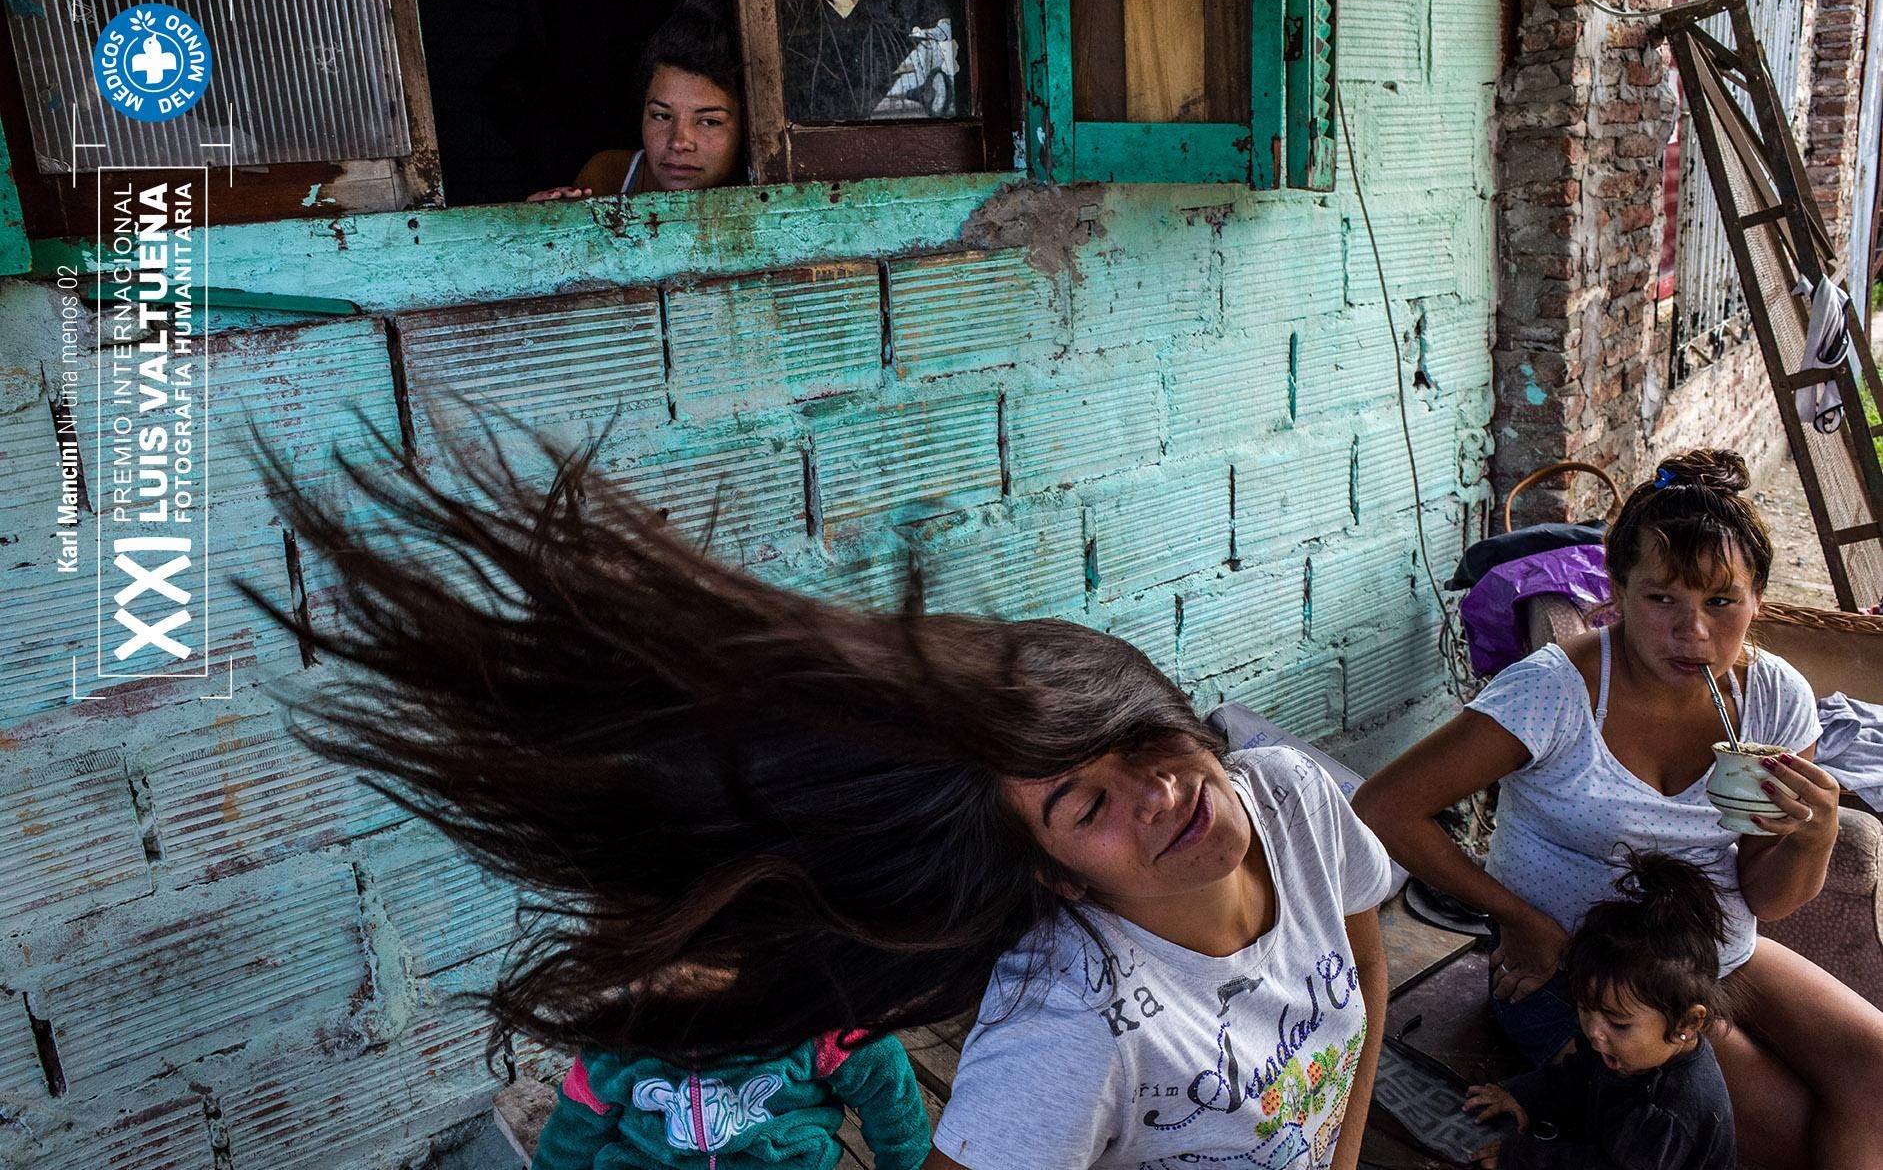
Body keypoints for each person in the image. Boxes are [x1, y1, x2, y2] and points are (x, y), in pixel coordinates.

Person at [242, 428, 1394, 1170]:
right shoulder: (1070, 1024)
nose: (1155, 793)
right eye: (1083, 805)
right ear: (1050, 869)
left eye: (1142, 739)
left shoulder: (1287, 795)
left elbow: (1360, 958)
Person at [1353, 449, 1883, 1169]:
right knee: (1784, 1134)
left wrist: (1812, 834)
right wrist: (1520, 920)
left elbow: (1766, 893)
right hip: (1583, 975)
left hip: (1720, 952)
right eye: (1661, 597)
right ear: (1617, 591)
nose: (1691, 631)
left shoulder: (1772, 699)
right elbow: (1386, 805)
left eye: (1720, 601)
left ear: (1757, 596)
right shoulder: (1554, 691)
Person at [1463, 850, 1734, 1170]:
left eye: (1618, 1023)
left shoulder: (1669, 1115)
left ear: (1689, 1022)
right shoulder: (1621, 1047)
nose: (1594, 1030)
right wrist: (1523, 1096)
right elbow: (1576, 1076)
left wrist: (1524, 1158)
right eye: (1585, 1007)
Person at [531, 1024, 930, 1169]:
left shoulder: (816, 1023)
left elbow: (884, 1083)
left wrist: (906, 1163)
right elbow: (576, 1125)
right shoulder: (614, 1042)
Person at [527, 0, 743, 201]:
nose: (678, 142)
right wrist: (546, 225)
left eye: (709, 121)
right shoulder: (610, 178)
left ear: (746, 124)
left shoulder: (770, 187)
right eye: (661, 115)